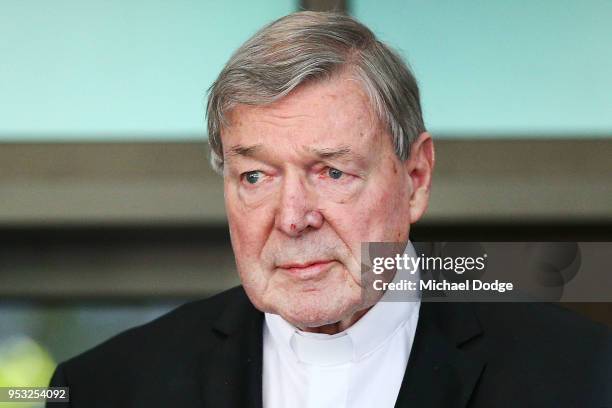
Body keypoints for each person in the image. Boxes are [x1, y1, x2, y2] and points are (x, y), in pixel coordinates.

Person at [48, 11, 611, 407]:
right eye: (255, 176)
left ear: (415, 178)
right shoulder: (104, 388)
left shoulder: (586, 377)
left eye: (332, 172)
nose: (293, 218)